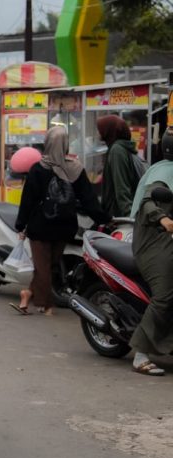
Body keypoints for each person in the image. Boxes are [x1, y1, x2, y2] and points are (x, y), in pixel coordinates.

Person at [14, 126, 109, 315]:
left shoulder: (39, 169)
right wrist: (104, 218)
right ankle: (36, 299)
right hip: (60, 226)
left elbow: (28, 201)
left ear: (47, 143)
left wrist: (20, 225)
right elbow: (88, 199)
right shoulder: (74, 168)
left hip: (44, 227)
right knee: (47, 267)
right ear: (66, 145)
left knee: (45, 267)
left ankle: (37, 299)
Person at [128, 178, 173, 375]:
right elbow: (147, 202)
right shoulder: (160, 179)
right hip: (153, 246)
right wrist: (162, 218)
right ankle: (141, 354)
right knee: (164, 297)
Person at [97, 114, 142, 219]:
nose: (99, 132)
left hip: (118, 215)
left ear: (110, 130)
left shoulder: (117, 150)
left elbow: (121, 187)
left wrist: (129, 218)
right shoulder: (121, 147)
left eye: (101, 129)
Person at [131, 129, 173, 216]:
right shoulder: (164, 172)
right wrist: (161, 218)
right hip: (156, 227)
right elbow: (147, 201)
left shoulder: (160, 167)